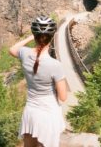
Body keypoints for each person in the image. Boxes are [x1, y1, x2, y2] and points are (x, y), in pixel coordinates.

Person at [9, 16, 67, 147]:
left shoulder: (25, 54)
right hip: (48, 115)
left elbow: (12, 49)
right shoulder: (55, 65)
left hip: (30, 113)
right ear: (51, 37)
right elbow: (63, 97)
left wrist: (31, 36)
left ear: (35, 36)